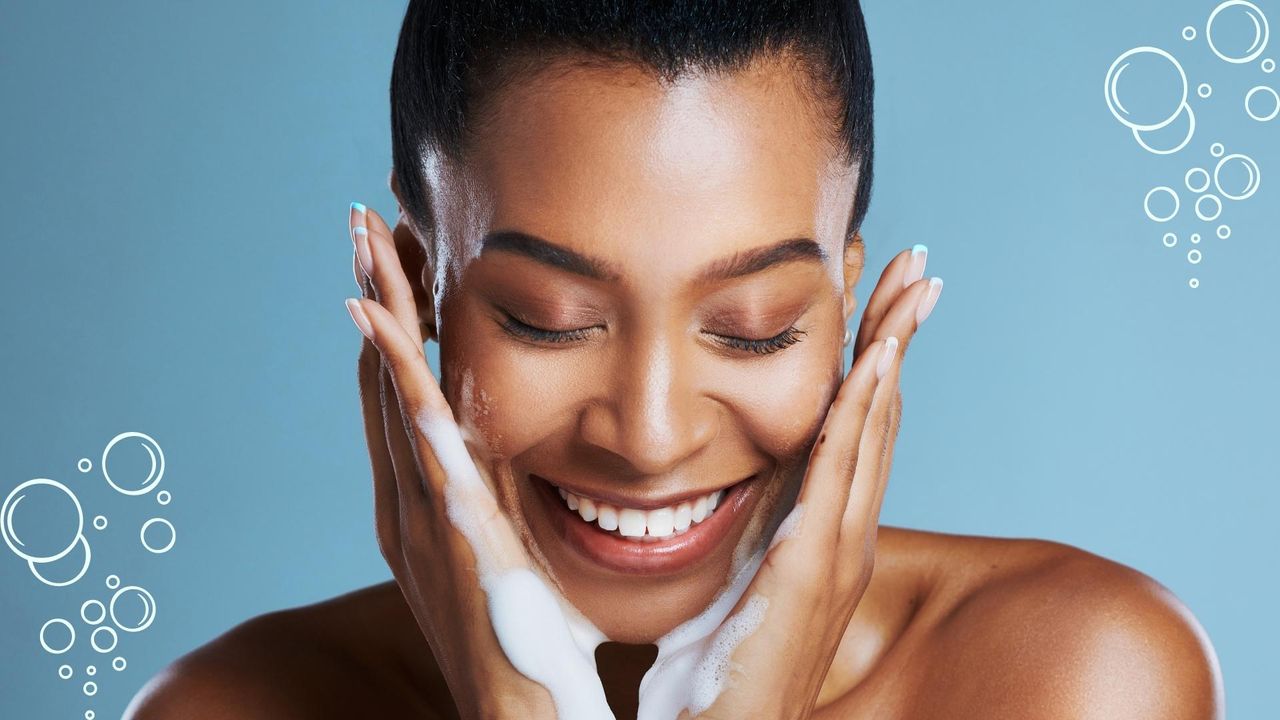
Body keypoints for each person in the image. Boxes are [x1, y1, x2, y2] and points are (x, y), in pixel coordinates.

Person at [126, 1, 1224, 718]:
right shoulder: (231, 708)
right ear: (412, 292)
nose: (648, 436)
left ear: (849, 308)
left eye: (752, 328)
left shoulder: (1071, 678)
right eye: (550, 320)